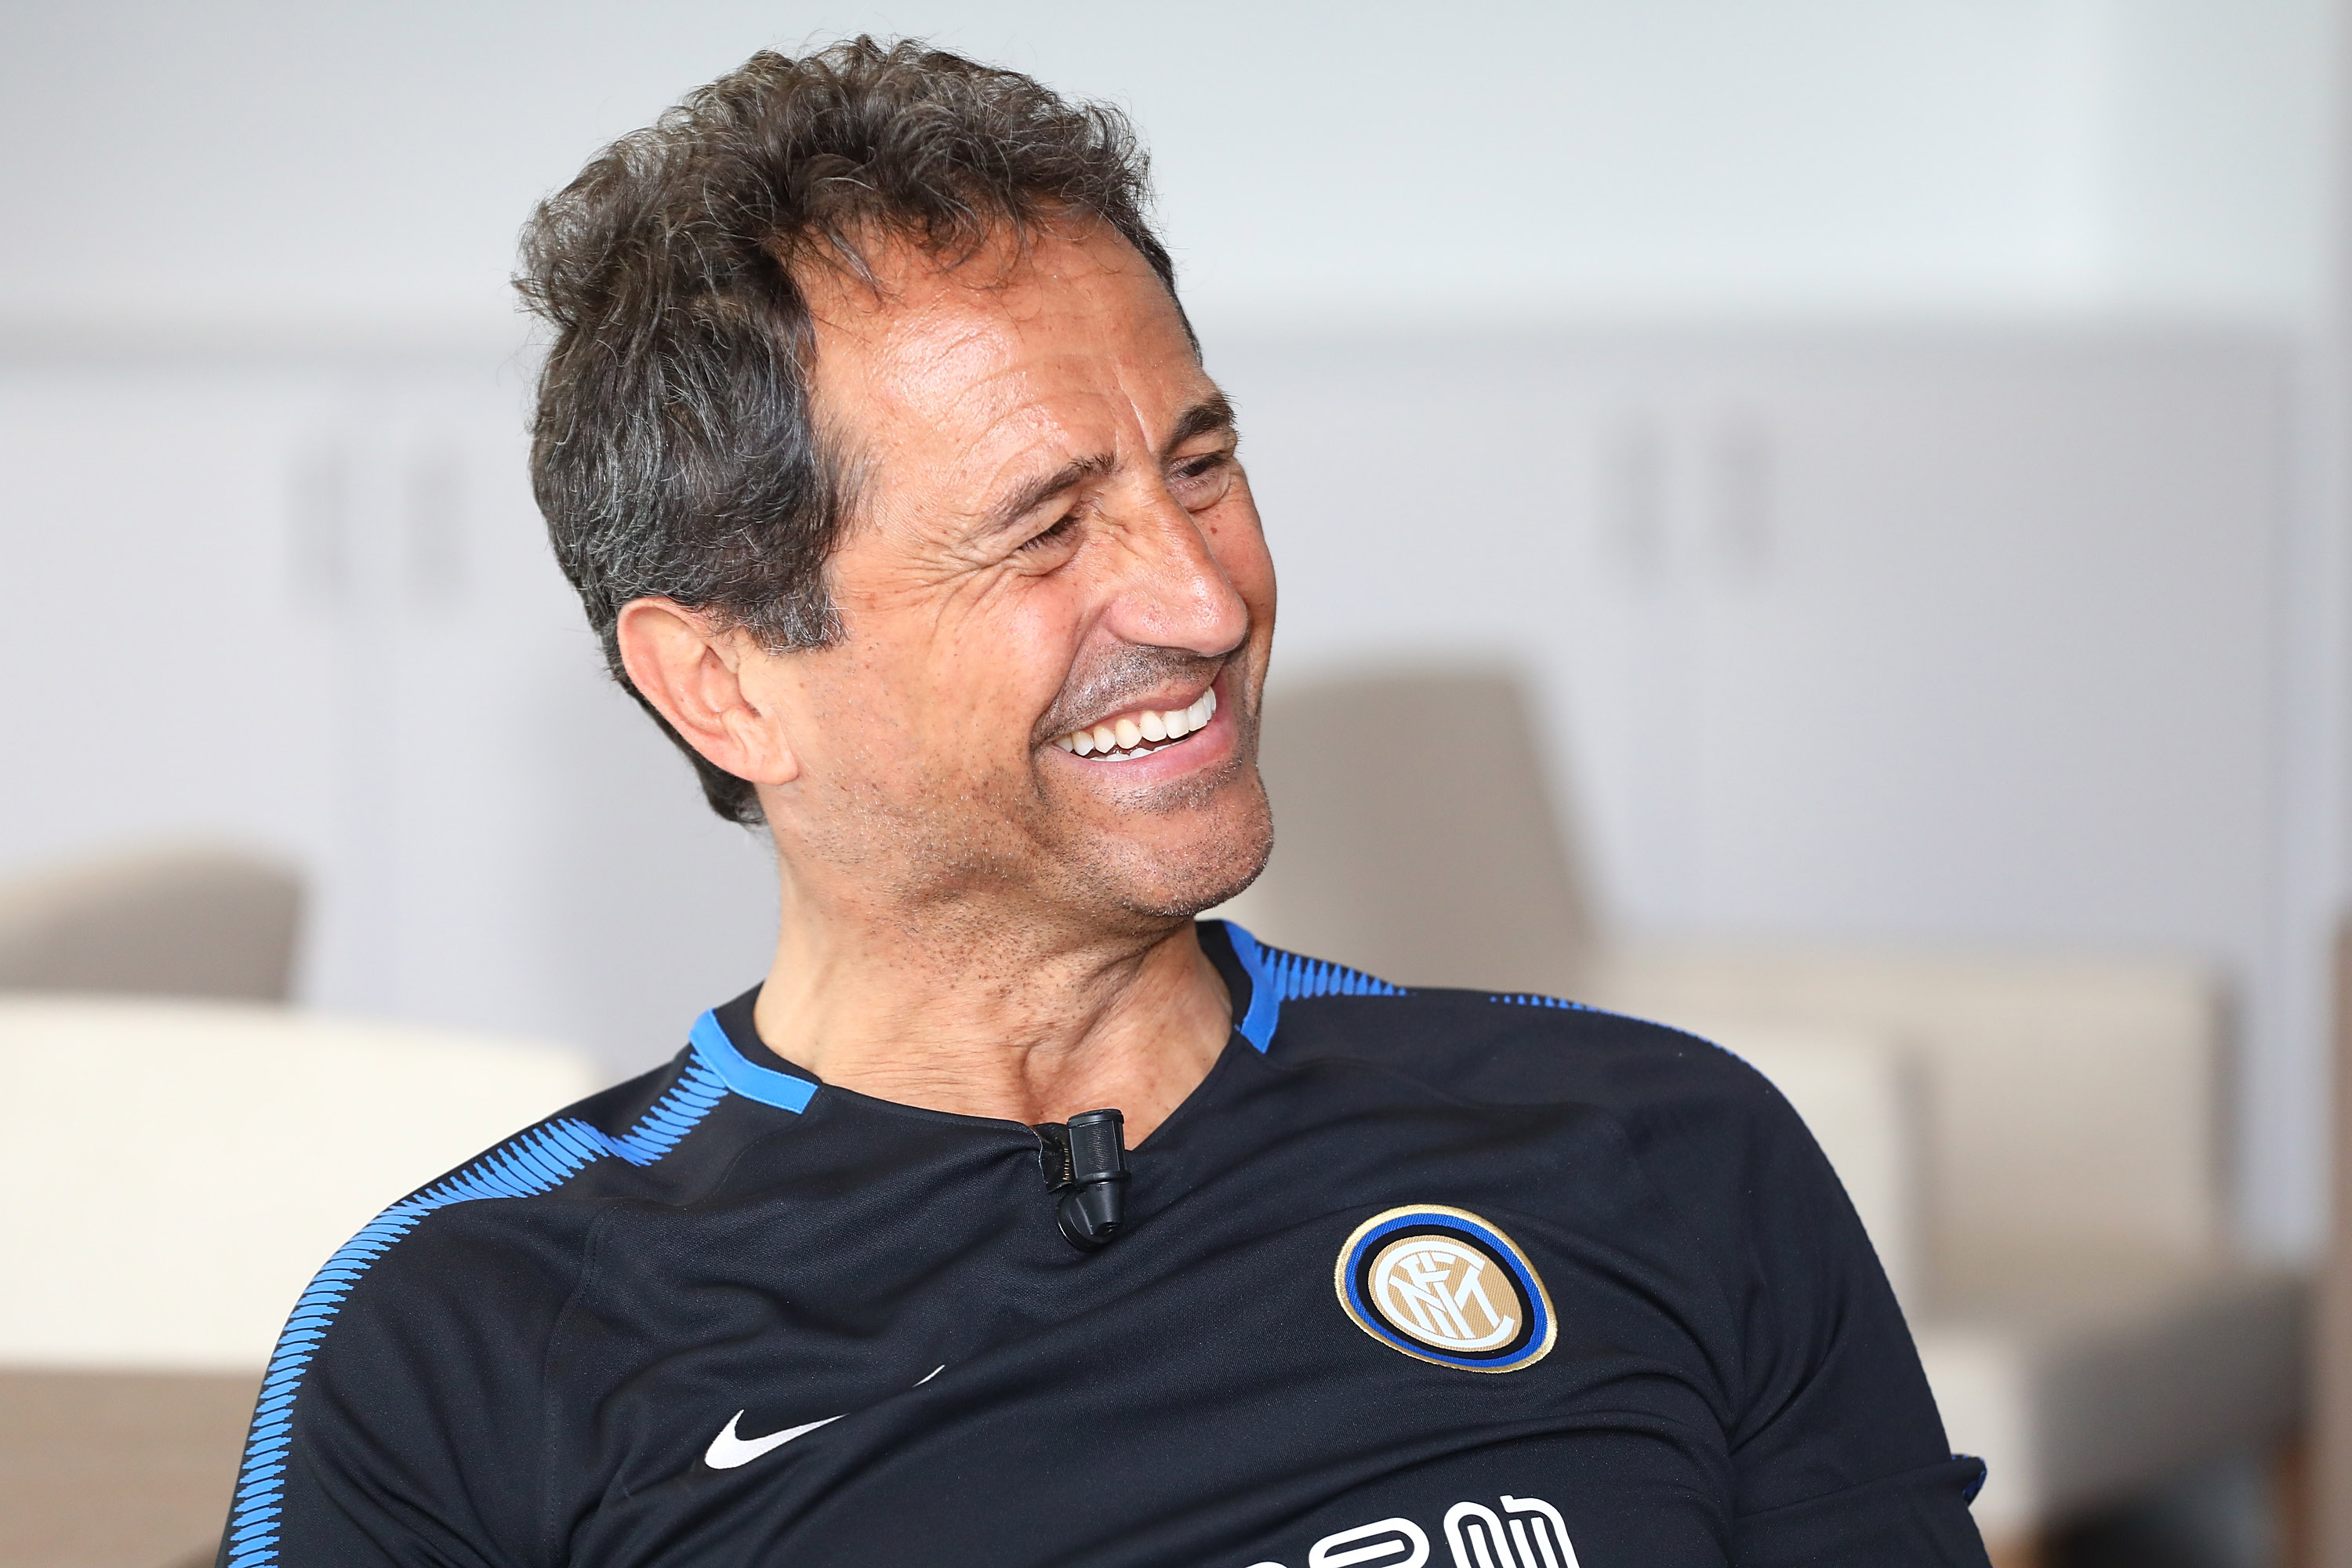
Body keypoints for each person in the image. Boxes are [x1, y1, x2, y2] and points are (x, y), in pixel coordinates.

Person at [218, 38, 1989, 1568]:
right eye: (1048, 528)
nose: (1207, 604)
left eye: (1202, 467)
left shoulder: (1655, 1147)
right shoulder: (474, 1344)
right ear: (726, 682)